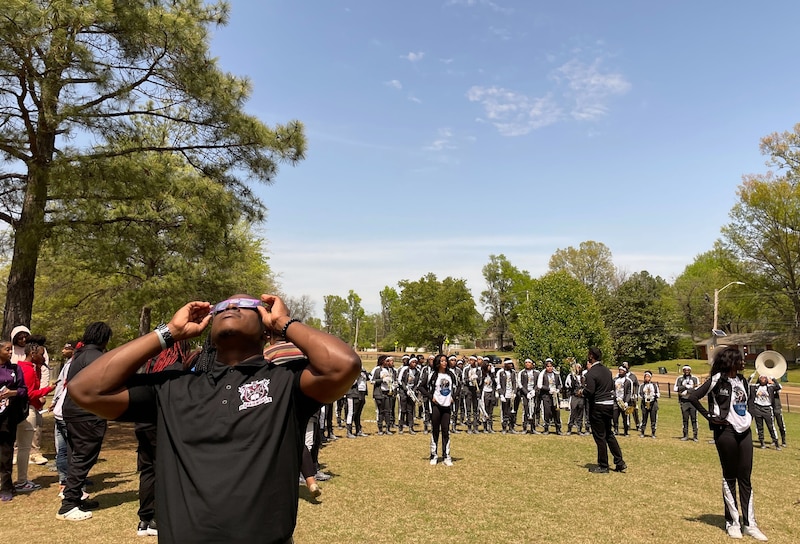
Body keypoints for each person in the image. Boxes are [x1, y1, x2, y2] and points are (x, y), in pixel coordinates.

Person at [68, 294, 360, 543]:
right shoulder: (173, 387)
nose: (230, 307)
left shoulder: (286, 383)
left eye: (246, 304)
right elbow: (85, 389)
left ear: (264, 328)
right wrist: (167, 332)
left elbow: (342, 365)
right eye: (221, 307)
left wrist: (284, 324)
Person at [689, 347, 768, 541]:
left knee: (746, 477)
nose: (742, 362)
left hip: (744, 432)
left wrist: (748, 415)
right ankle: (732, 522)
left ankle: (750, 524)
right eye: (739, 359)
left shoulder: (742, 381)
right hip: (726, 432)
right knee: (730, 476)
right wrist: (710, 417)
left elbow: (748, 400)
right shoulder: (717, 380)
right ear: (729, 361)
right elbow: (692, 397)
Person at [58, 322, 113, 520]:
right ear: (104, 338)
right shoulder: (97, 358)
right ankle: (68, 504)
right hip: (87, 414)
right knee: (83, 457)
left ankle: (76, 497)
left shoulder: (79, 355)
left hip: (71, 411)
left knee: (76, 456)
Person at [14, 341, 54, 492]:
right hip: (27, 410)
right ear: (33, 354)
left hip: (19, 410)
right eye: (41, 354)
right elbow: (29, 393)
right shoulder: (28, 370)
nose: (44, 357)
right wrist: (48, 389)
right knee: (24, 448)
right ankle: (22, 481)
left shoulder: (21, 367)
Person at [582, 347, 626, 474]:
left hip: (598, 406)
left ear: (591, 356)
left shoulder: (591, 373)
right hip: (609, 406)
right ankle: (619, 462)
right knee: (609, 434)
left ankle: (603, 465)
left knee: (600, 437)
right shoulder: (607, 371)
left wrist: (581, 392)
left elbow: (589, 391)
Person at [0, 340, 28, 502]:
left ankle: (6, 486)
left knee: (6, 452)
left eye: (11, 350)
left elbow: (23, 390)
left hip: (8, 417)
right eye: (7, 349)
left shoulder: (15, 369)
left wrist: (12, 393)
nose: (10, 352)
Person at [420, 354, 456, 466]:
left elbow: (458, 386)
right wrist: (431, 397)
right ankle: (434, 455)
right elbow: (421, 387)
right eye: (442, 361)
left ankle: (446, 456)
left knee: (446, 431)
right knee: (435, 430)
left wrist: (453, 397)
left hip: (447, 406)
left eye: (446, 361)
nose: (444, 363)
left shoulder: (451, 374)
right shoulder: (432, 375)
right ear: (438, 363)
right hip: (436, 406)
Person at [748, 375, 781, 450]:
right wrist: (750, 378)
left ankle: (776, 443)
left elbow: (778, 386)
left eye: (764, 378)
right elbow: (746, 385)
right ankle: (762, 442)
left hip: (767, 409)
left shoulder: (770, 387)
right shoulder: (755, 387)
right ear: (759, 379)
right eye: (761, 378)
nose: (763, 379)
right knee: (759, 427)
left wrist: (773, 378)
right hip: (757, 408)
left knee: (771, 427)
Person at [536, 358, 562, 435]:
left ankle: (558, 429)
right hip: (546, 396)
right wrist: (548, 389)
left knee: (556, 412)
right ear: (545, 367)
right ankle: (546, 428)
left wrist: (558, 390)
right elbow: (540, 385)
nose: (549, 368)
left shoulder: (556, 374)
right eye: (548, 366)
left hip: (555, 395)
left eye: (551, 366)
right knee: (547, 412)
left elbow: (560, 384)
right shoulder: (542, 374)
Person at [675, 365, 699, 441]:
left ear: (690, 370)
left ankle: (695, 436)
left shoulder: (695, 378)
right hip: (684, 401)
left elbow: (698, 389)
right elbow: (675, 388)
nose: (686, 371)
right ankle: (685, 435)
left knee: (694, 419)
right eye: (685, 370)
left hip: (693, 401)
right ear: (683, 371)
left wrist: (688, 391)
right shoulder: (679, 378)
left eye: (688, 370)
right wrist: (685, 387)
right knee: (685, 419)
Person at [564, 362, 586, 435]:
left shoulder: (583, 377)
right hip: (574, 396)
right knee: (573, 413)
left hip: (581, 397)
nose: (577, 369)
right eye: (576, 367)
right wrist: (573, 378)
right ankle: (569, 429)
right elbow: (568, 385)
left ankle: (579, 429)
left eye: (579, 367)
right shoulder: (570, 376)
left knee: (580, 414)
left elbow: (585, 386)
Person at [638, 370, 660, 438]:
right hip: (644, 404)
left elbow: (658, 393)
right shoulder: (642, 385)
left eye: (648, 377)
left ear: (650, 377)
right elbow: (640, 394)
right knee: (644, 418)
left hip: (653, 404)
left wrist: (653, 397)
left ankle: (653, 433)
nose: (647, 378)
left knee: (653, 419)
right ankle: (642, 432)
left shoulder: (654, 385)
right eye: (645, 377)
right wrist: (644, 397)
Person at [612, 366, 632, 437]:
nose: (620, 371)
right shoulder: (615, 380)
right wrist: (616, 397)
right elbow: (612, 390)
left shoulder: (628, 381)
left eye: (622, 370)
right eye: (619, 370)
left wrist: (626, 401)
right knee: (615, 416)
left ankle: (626, 431)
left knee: (625, 417)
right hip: (616, 401)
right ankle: (616, 430)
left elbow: (629, 392)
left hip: (624, 402)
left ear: (625, 371)